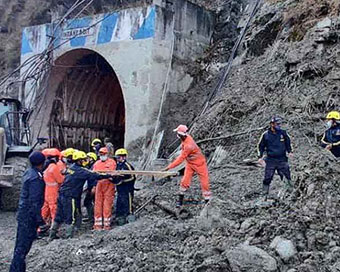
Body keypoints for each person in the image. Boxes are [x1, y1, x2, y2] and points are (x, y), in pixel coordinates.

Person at [49, 151, 113, 240]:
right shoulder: (81, 171)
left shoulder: (71, 168)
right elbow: (95, 175)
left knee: (58, 216)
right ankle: (69, 237)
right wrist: (108, 175)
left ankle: (52, 235)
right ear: (79, 161)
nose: (85, 161)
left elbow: (65, 172)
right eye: (83, 160)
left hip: (62, 194)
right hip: (70, 196)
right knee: (70, 217)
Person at [10, 151, 48, 272]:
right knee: (22, 248)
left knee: (21, 247)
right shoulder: (36, 179)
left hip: (24, 214)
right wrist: (40, 221)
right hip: (28, 217)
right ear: (41, 163)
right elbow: (34, 203)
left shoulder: (29, 172)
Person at [163, 125, 212, 207]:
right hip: (190, 163)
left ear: (181, 135)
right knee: (185, 181)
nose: (177, 136)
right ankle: (180, 201)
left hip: (200, 163)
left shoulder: (188, 145)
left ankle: (207, 201)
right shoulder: (185, 138)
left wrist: (169, 167)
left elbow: (181, 159)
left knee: (204, 182)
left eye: (178, 134)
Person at [257, 116, 293, 196]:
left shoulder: (283, 133)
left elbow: (288, 142)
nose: (279, 126)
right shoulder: (266, 135)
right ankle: (264, 194)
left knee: (286, 176)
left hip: (282, 159)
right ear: (272, 124)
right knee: (268, 177)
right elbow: (260, 146)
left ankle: (291, 192)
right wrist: (260, 157)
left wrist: (290, 151)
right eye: (277, 124)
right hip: (270, 160)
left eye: (280, 124)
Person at [93, 147, 116, 230]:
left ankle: (106, 225)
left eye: (103, 154)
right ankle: (98, 225)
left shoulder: (111, 162)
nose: (102, 156)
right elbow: (94, 175)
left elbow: (111, 173)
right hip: (99, 184)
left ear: (107, 154)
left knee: (107, 205)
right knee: (98, 205)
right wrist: (94, 185)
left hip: (109, 184)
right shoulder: (96, 163)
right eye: (101, 154)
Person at [41, 148, 65, 226]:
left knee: (45, 208)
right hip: (53, 191)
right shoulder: (54, 167)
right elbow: (60, 180)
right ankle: (54, 228)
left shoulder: (46, 167)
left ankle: (40, 226)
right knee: (54, 209)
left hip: (47, 190)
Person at [114, 148, 136, 226]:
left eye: (119, 157)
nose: (117, 159)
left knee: (128, 203)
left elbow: (133, 177)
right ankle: (119, 218)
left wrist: (123, 181)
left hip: (127, 189)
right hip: (120, 189)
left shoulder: (127, 166)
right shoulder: (117, 166)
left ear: (123, 157)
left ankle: (129, 217)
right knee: (119, 203)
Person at [83, 152, 98, 223]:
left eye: (88, 158)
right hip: (90, 187)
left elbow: (95, 177)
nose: (86, 160)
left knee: (90, 202)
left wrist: (94, 186)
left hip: (93, 187)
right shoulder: (90, 166)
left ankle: (94, 217)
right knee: (88, 202)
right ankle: (92, 217)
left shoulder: (94, 166)